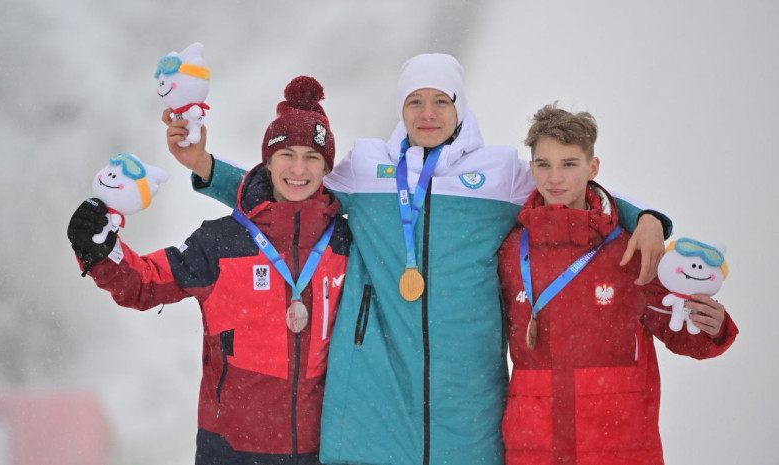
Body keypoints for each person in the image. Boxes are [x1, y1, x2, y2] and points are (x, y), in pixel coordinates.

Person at [170, 55, 672, 465]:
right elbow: (285, 188)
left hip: (467, 385)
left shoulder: (500, 174)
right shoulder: (367, 168)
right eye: (415, 102)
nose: (427, 114)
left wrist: (645, 217)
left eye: (439, 101)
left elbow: (567, 185)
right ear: (401, 108)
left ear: (460, 107)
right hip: (375, 382)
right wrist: (205, 168)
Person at [67, 76, 351, 465]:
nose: (298, 168)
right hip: (231, 450)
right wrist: (102, 252)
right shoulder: (222, 242)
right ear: (267, 163)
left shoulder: (346, 244)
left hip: (324, 451)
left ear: (326, 168)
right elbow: (145, 283)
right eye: (286, 155)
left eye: (312, 157)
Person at [497, 104, 738, 465]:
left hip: (620, 444)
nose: (555, 177)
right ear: (531, 168)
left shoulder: (630, 248)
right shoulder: (511, 249)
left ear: (593, 168)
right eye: (544, 164)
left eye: (569, 164)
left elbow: (683, 332)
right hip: (534, 444)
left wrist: (713, 328)